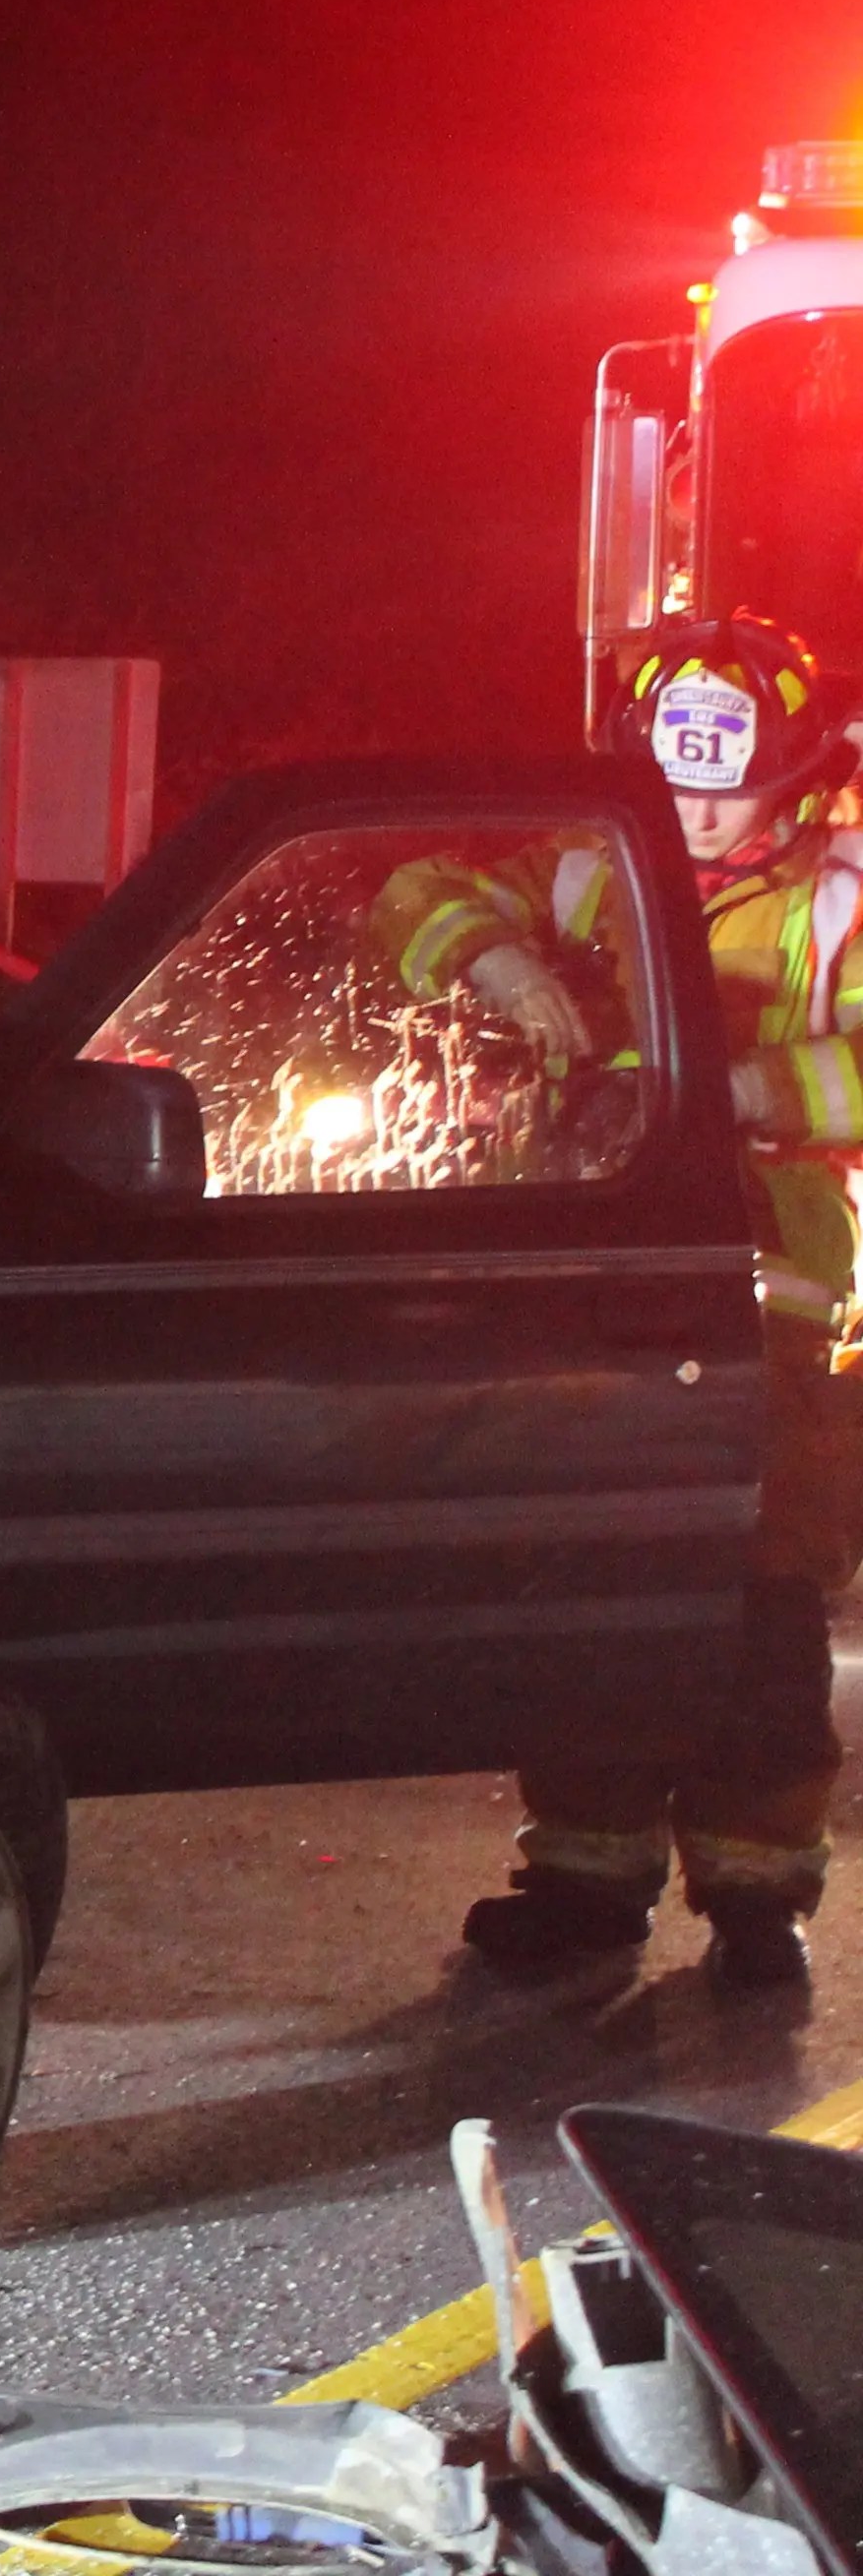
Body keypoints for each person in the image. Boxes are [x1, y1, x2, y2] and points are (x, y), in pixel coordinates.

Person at [385, 614, 863, 1986]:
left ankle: (757, 1898)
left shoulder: (843, 896)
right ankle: (586, 1880)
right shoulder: (592, 868)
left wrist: (760, 1090)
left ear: (797, 771)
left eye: (730, 781)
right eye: (679, 773)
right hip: (603, 1291)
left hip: (783, 1307)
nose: (699, 807)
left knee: (760, 1608)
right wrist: (500, 959)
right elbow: (415, 891)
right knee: (595, 1584)